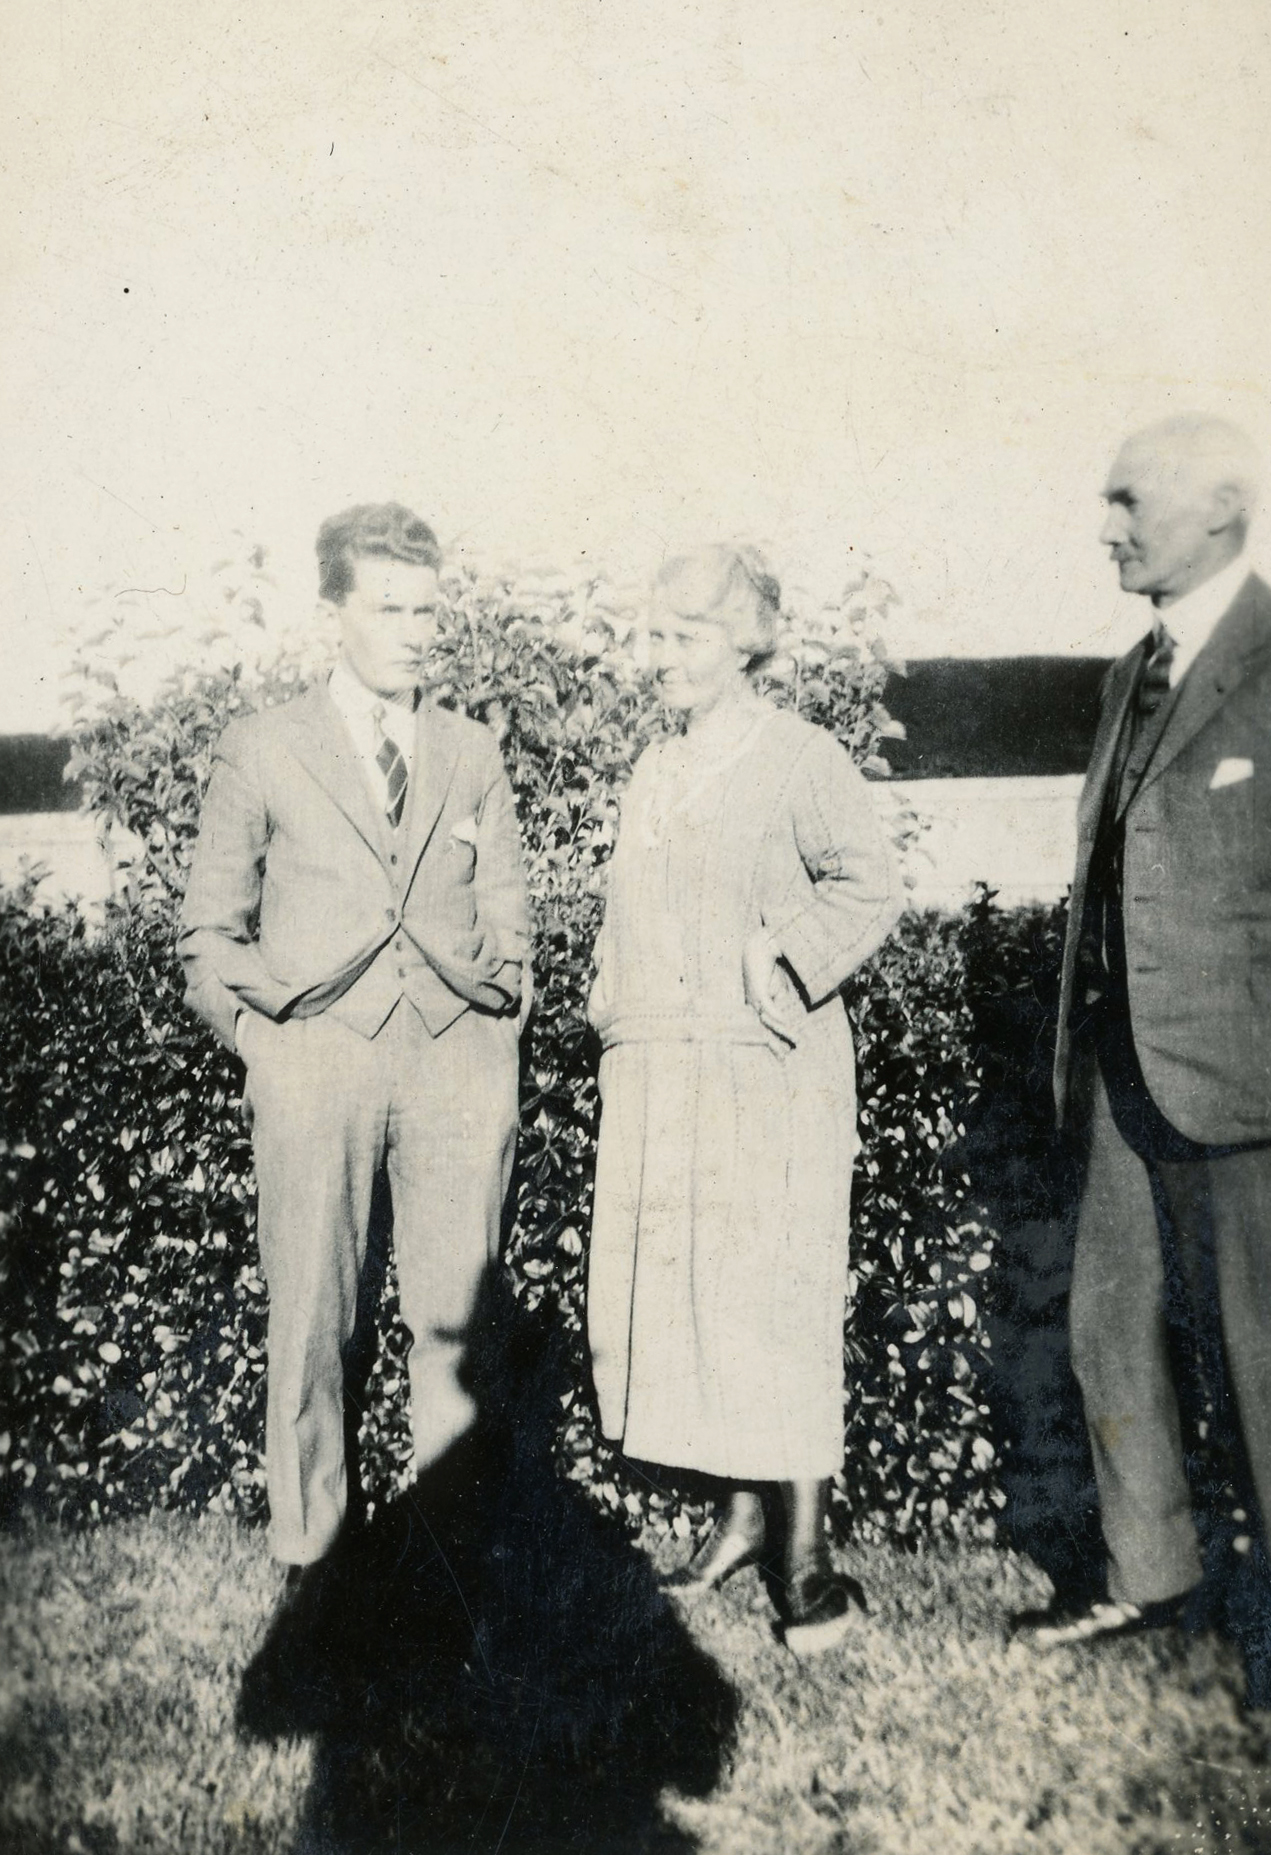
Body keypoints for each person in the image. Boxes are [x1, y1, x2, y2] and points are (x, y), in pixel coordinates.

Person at [178, 502, 530, 1599]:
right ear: (334, 612)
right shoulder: (264, 745)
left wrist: (496, 1027)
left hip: (453, 1057)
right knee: (313, 1316)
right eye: (389, 609)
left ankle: (453, 1561)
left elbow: (511, 914)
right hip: (312, 1058)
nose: (417, 631)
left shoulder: (472, 749)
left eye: (429, 609)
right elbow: (206, 930)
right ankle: (313, 1559)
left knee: (456, 1322)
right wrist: (261, 1044)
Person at [586, 544, 903, 1655]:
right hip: (666, 1076)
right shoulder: (651, 771)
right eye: (651, 634)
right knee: (697, 1302)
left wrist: (786, 964)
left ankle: (806, 1565)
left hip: (769, 1075)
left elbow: (868, 883)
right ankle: (737, 1520)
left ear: (744, 642)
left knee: (775, 1298)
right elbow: (626, 923)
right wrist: (611, 1015)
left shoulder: (800, 757)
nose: (657, 656)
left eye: (683, 636)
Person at [1016, 415, 1271, 1672]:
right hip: (1121, 1063)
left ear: (1221, 509)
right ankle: (1146, 1574)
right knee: (1107, 1321)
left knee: (1262, 1347)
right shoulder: (1132, 671)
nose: (1104, 527)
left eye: (1128, 501)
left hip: (1246, 1079)